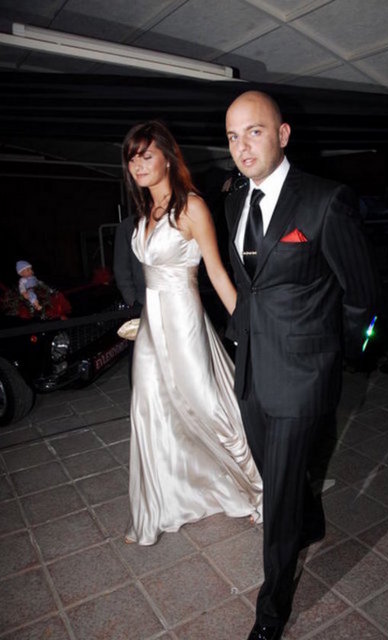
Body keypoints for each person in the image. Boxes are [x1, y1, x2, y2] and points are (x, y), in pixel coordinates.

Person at [224, 91, 379, 640]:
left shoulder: (324, 200)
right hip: (252, 369)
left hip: (302, 375)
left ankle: (271, 612)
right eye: (233, 136)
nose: (243, 147)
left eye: (255, 131)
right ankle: (311, 519)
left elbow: (363, 296)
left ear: (283, 134)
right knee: (274, 472)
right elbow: (250, 285)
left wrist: (342, 356)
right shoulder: (233, 200)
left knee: (279, 498)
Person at [121, 120, 262, 546]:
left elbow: (217, 273)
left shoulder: (192, 207)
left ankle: (260, 484)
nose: (138, 165)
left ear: (167, 158)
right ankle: (158, 508)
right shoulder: (145, 213)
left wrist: (251, 330)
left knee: (208, 405)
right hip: (152, 324)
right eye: (132, 158)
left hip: (183, 320)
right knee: (149, 409)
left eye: (146, 155)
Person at [113, 215, 146, 383]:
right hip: (141, 303)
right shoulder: (127, 226)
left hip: (174, 301)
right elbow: (121, 266)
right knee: (142, 360)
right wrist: (132, 300)